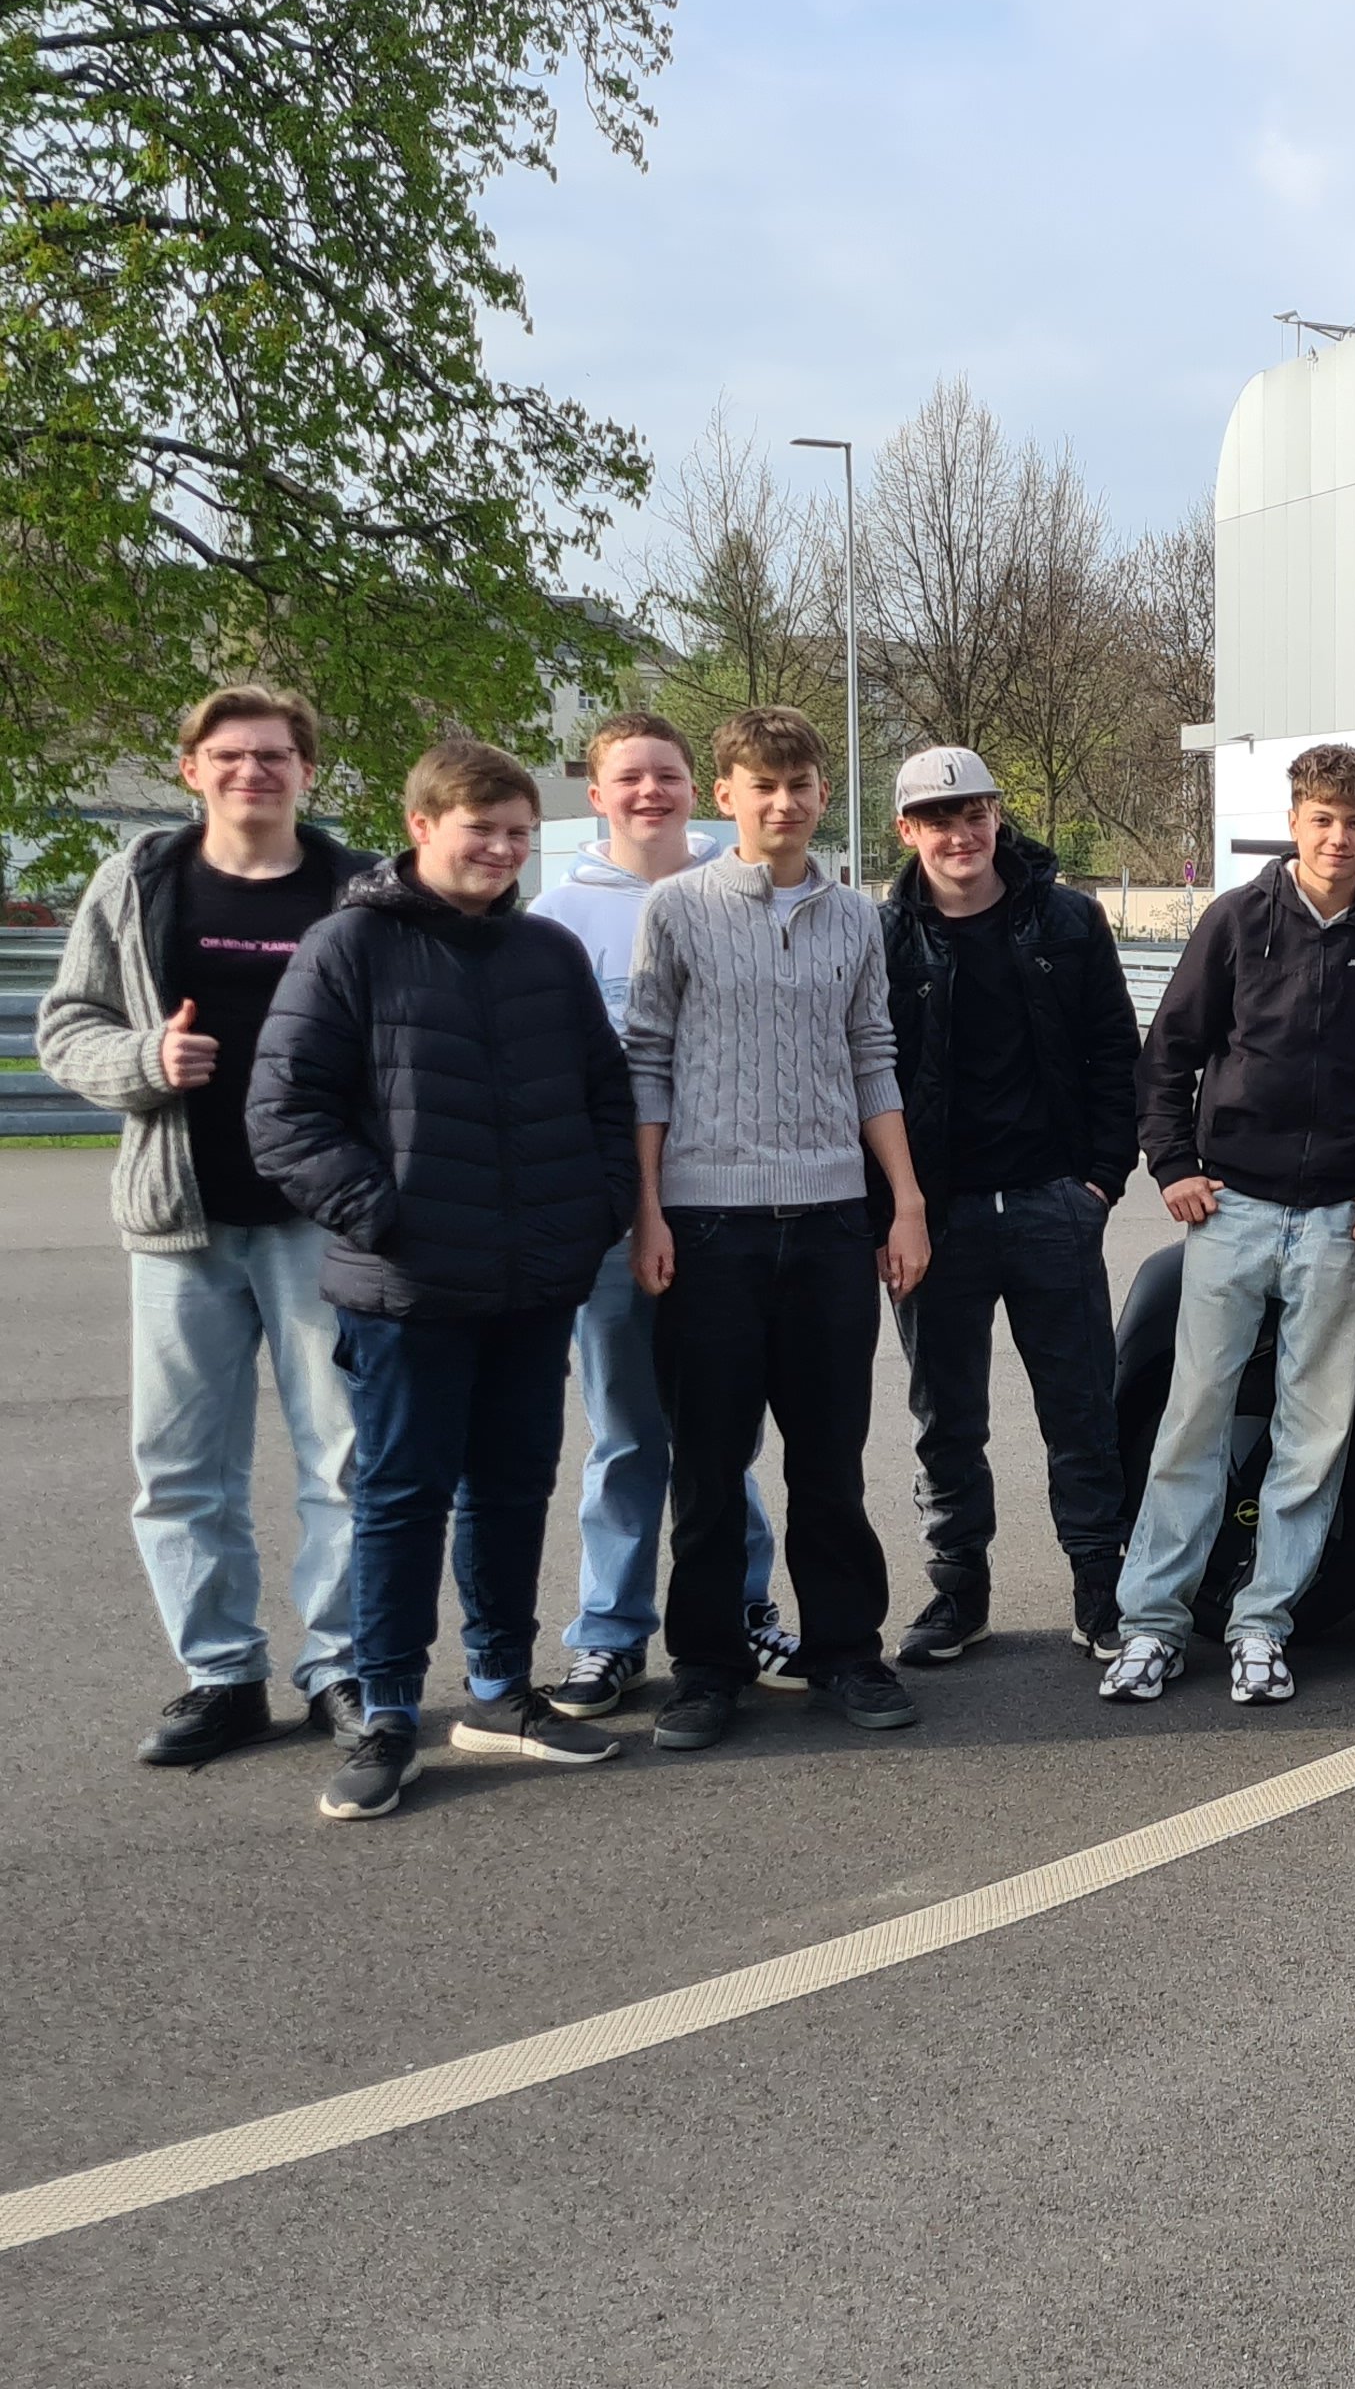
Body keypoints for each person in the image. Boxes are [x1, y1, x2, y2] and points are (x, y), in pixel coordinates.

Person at [250, 741, 642, 1818]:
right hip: (407, 1290)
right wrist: (386, 1219)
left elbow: (607, 1097)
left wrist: (593, 1213)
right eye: (483, 829)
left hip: (533, 1281)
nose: (503, 850)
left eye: (519, 832)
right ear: (422, 826)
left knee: (512, 1490)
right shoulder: (348, 946)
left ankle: (502, 1692)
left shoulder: (548, 951)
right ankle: (387, 1711)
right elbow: (283, 1114)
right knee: (400, 1497)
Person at [39, 686, 373, 1765]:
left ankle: (342, 1668)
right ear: (191, 770)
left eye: (273, 755)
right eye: (228, 755)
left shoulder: (360, 890)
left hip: (323, 1219)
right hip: (182, 1216)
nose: (251, 772)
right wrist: (147, 1059)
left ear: (307, 771)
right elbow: (67, 1025)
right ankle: (222, 1676)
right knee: (181, 1465)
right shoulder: (138, 882)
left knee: (345, 1460)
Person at [626, 705, 931, 1750]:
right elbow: (647, 1059)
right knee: (710, 1466)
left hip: (833, 1220)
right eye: (763, 786)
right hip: (708, 1223)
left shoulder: (855, 920)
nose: (785, 803)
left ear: (822, 793)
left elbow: (873, 1055)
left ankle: (845, 1650)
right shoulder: (675, 909)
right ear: (727, 797)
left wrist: (904, 1201)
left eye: (800, 785)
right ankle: (707, 1668)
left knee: (831, 1461)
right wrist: (649, 1209)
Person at [1106, 741, 1355, 1707]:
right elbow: (1168, 1054)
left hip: (1342, 1223)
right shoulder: (1237, 918)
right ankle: (1151, 1625)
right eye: (1322, 820)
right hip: (1231, 1208)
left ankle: (1262, 1626)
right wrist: (1173, 1167)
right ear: (1293, 822)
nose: (1338, 838)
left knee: (1313, 1436)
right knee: (1193, 1421)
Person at [531, 710, 796, 1719]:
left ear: (700, 788)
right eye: (630, 777)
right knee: (628, 1433)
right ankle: (609, 1633)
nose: (650, 792)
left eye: (667, 775)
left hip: (727, 1206)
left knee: (721, 1433)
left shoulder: (747, 888)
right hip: (612, 1214)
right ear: (597, 794)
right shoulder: (558, 915)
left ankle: (742, 1607)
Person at [876, 745, 1142, 1667]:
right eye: (938, 819)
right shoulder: (884, 937)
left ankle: (1099, 1587)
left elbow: (1114, 1052)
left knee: (1081, 1412)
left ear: (996, 817)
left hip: (1051, 1204)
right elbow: (867, 1078)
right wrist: (896, 1208)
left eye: (975, 813)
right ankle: (960, 1591)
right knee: (946, 1419)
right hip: (936, 1218)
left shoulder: (1067, 919)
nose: (961, 834)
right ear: (907, 831)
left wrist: (1100, 1180)